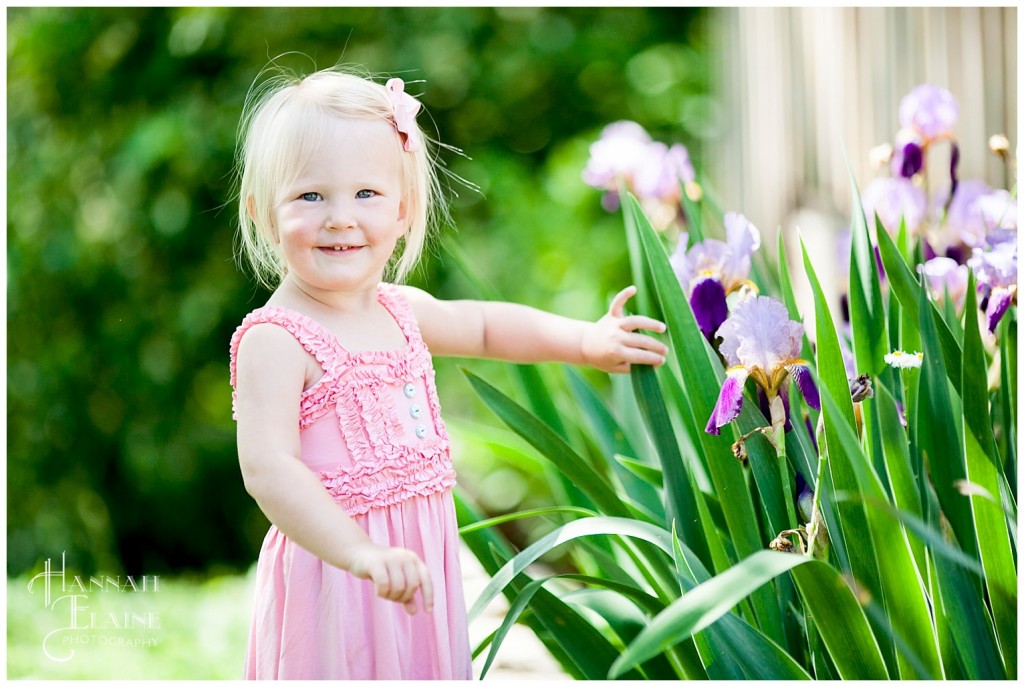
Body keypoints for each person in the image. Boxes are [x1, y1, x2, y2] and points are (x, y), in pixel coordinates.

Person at [228, 64, 668, 680]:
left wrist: (586, 341)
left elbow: (487, 326)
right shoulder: (276, 340)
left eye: (365, 194)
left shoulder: (400, 311)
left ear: (403, 210)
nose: (339, 217)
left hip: (418, 562)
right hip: (337, 577)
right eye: (309, 195)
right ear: (263, 211)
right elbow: (269, 469)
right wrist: (358, 552)